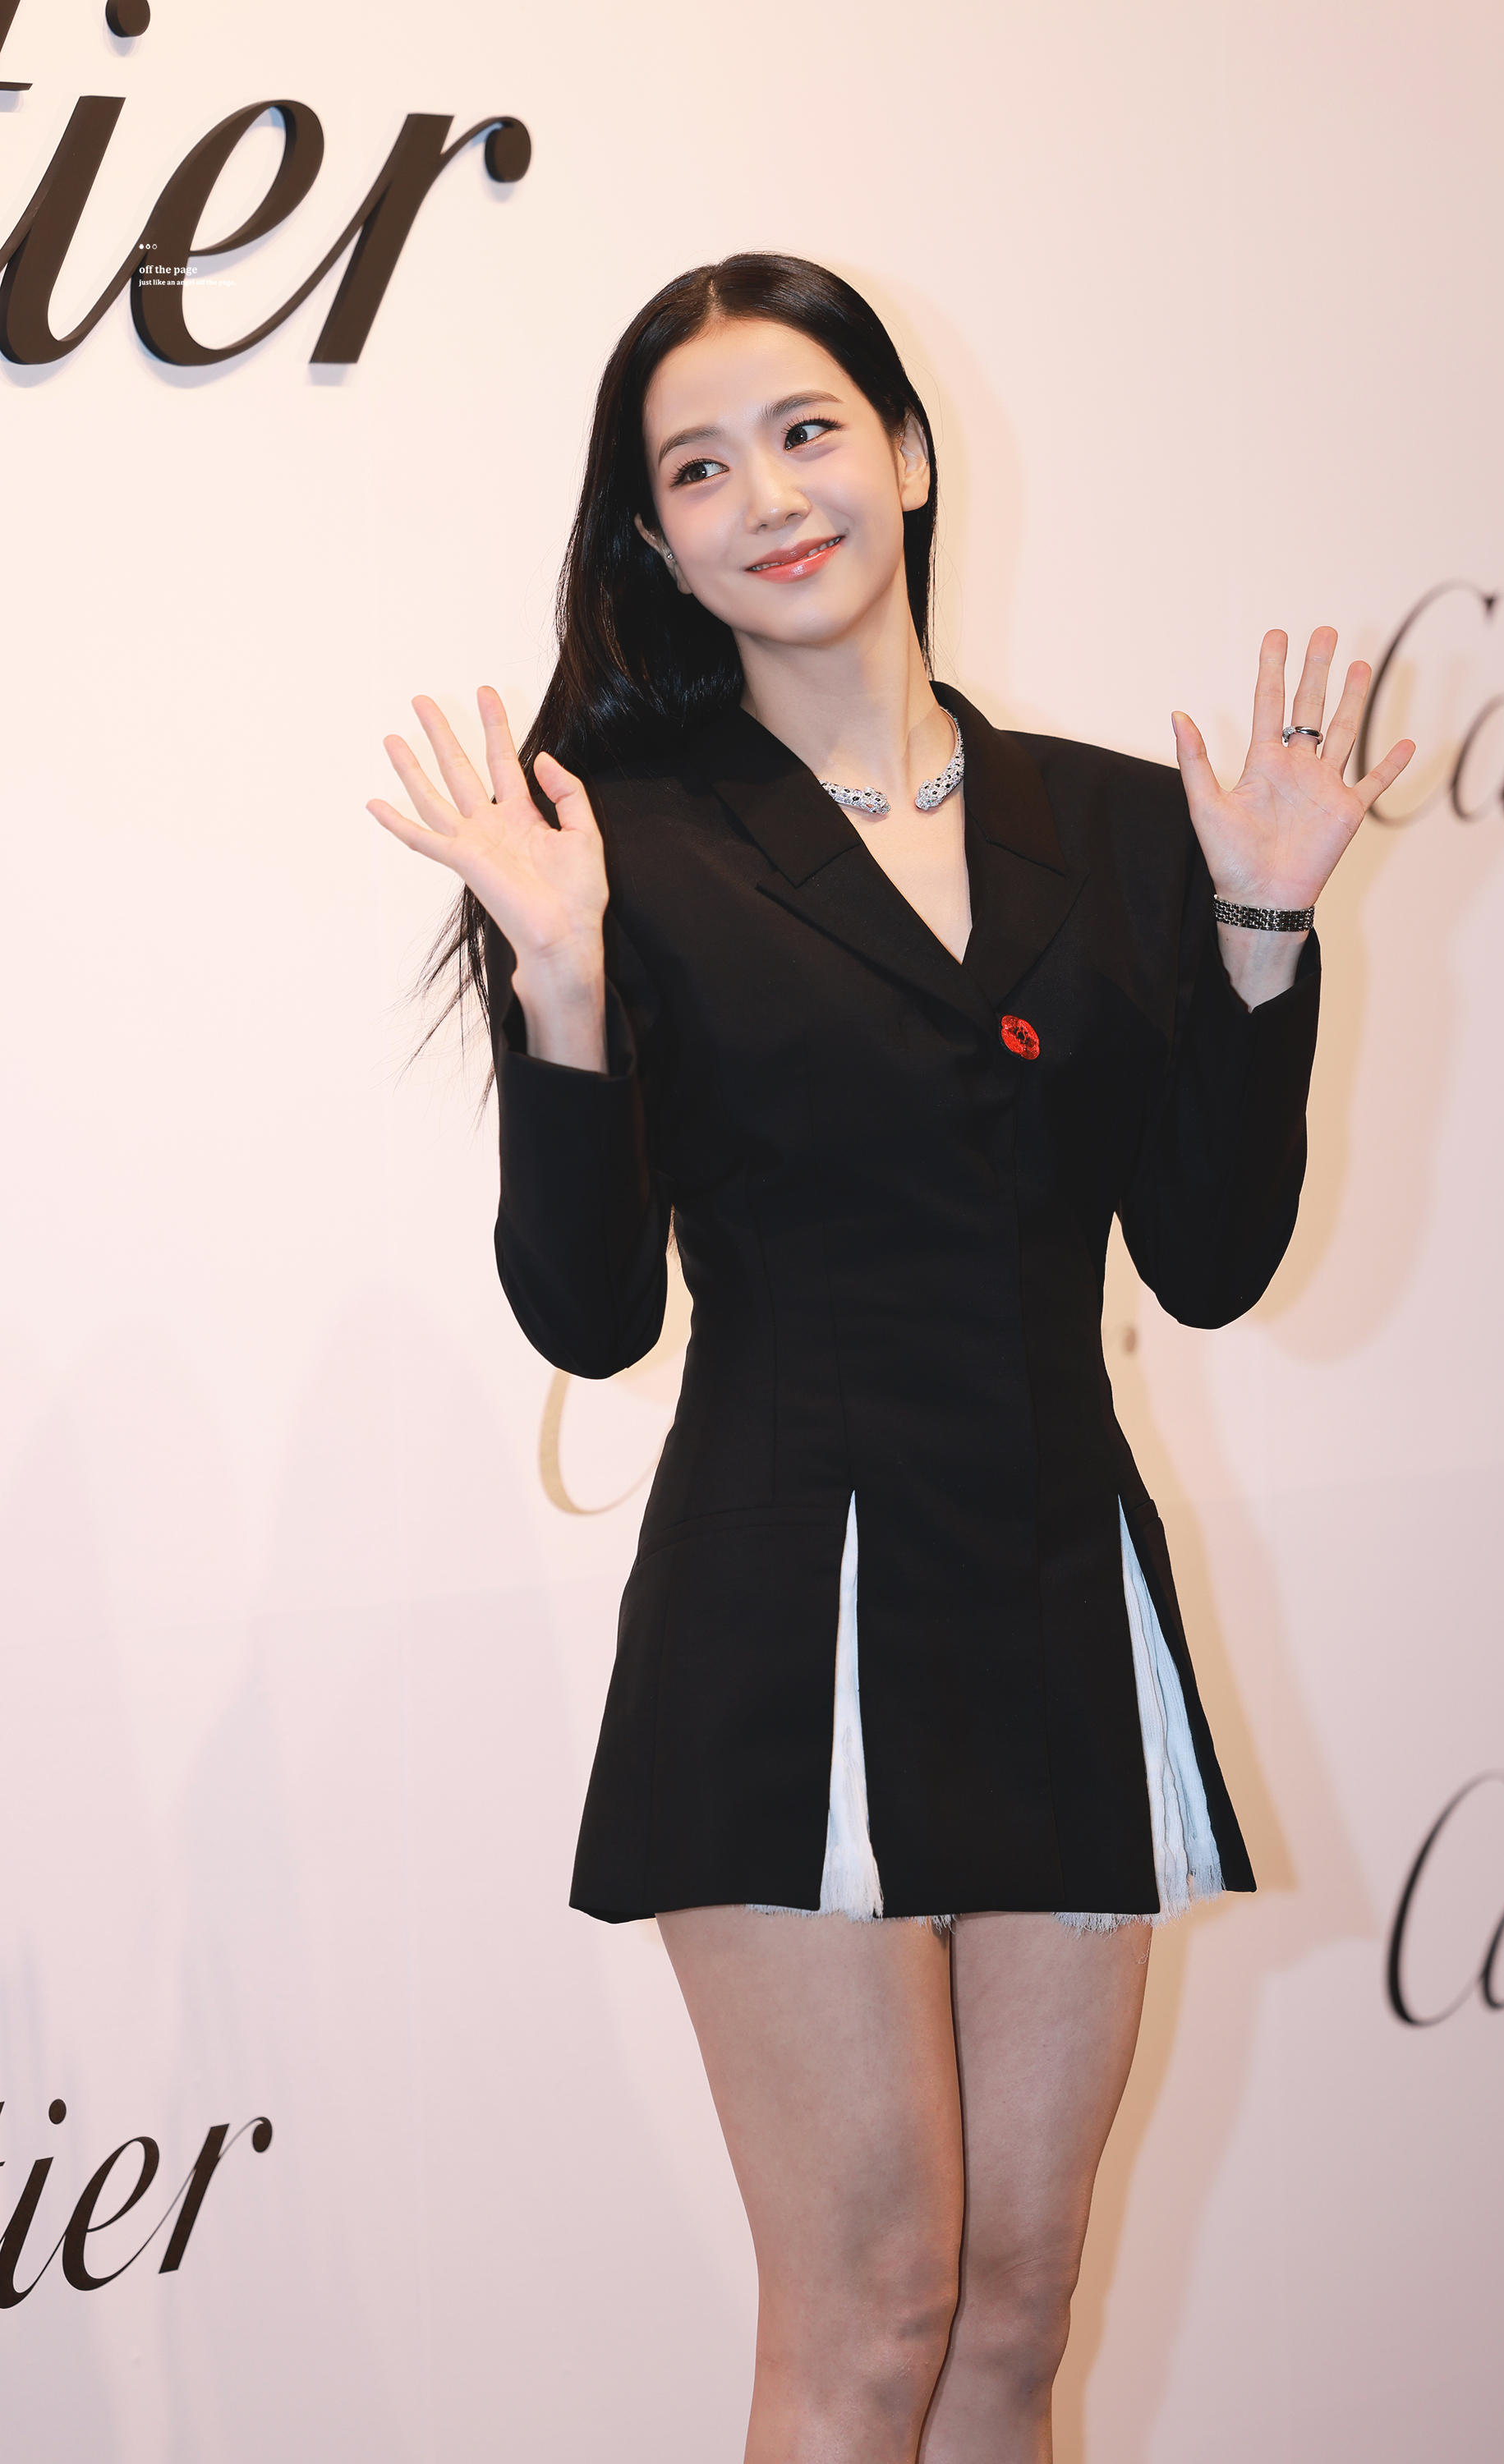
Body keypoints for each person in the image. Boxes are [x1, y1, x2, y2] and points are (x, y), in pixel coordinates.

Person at [368, 254, 1413, 2464]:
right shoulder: (615, 850)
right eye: (699, 469)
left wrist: (1261, 931)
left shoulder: (1121, 827)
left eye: (808, 431)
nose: (768, 496)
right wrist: (561, 986)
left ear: (909, 457)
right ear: (656, 542)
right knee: (873, 2315)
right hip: (787, 1616)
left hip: (1055, 1586)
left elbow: (1210, 1263)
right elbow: (592, 1314)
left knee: (1019, 2314)